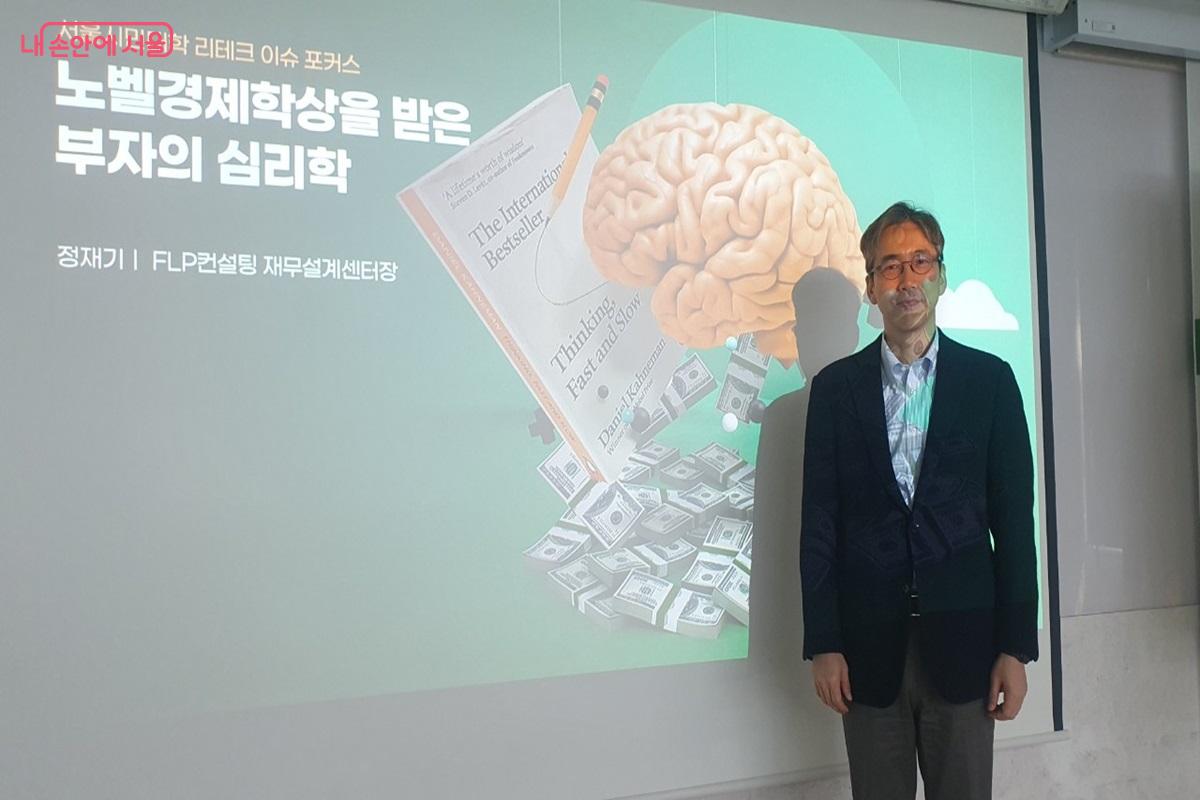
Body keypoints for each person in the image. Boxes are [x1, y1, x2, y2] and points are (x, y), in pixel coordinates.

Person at [798, 202, 1038, 800]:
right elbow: (819, 523)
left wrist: (1015, 647)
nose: (906, 279)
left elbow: (1013, 523)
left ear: (941, 276)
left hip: (966, 648)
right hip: (865, 650)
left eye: (920, 262)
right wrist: (824, 642)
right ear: (871, 288)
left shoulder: (990, 383)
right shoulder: (834, 391)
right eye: (889, 266)